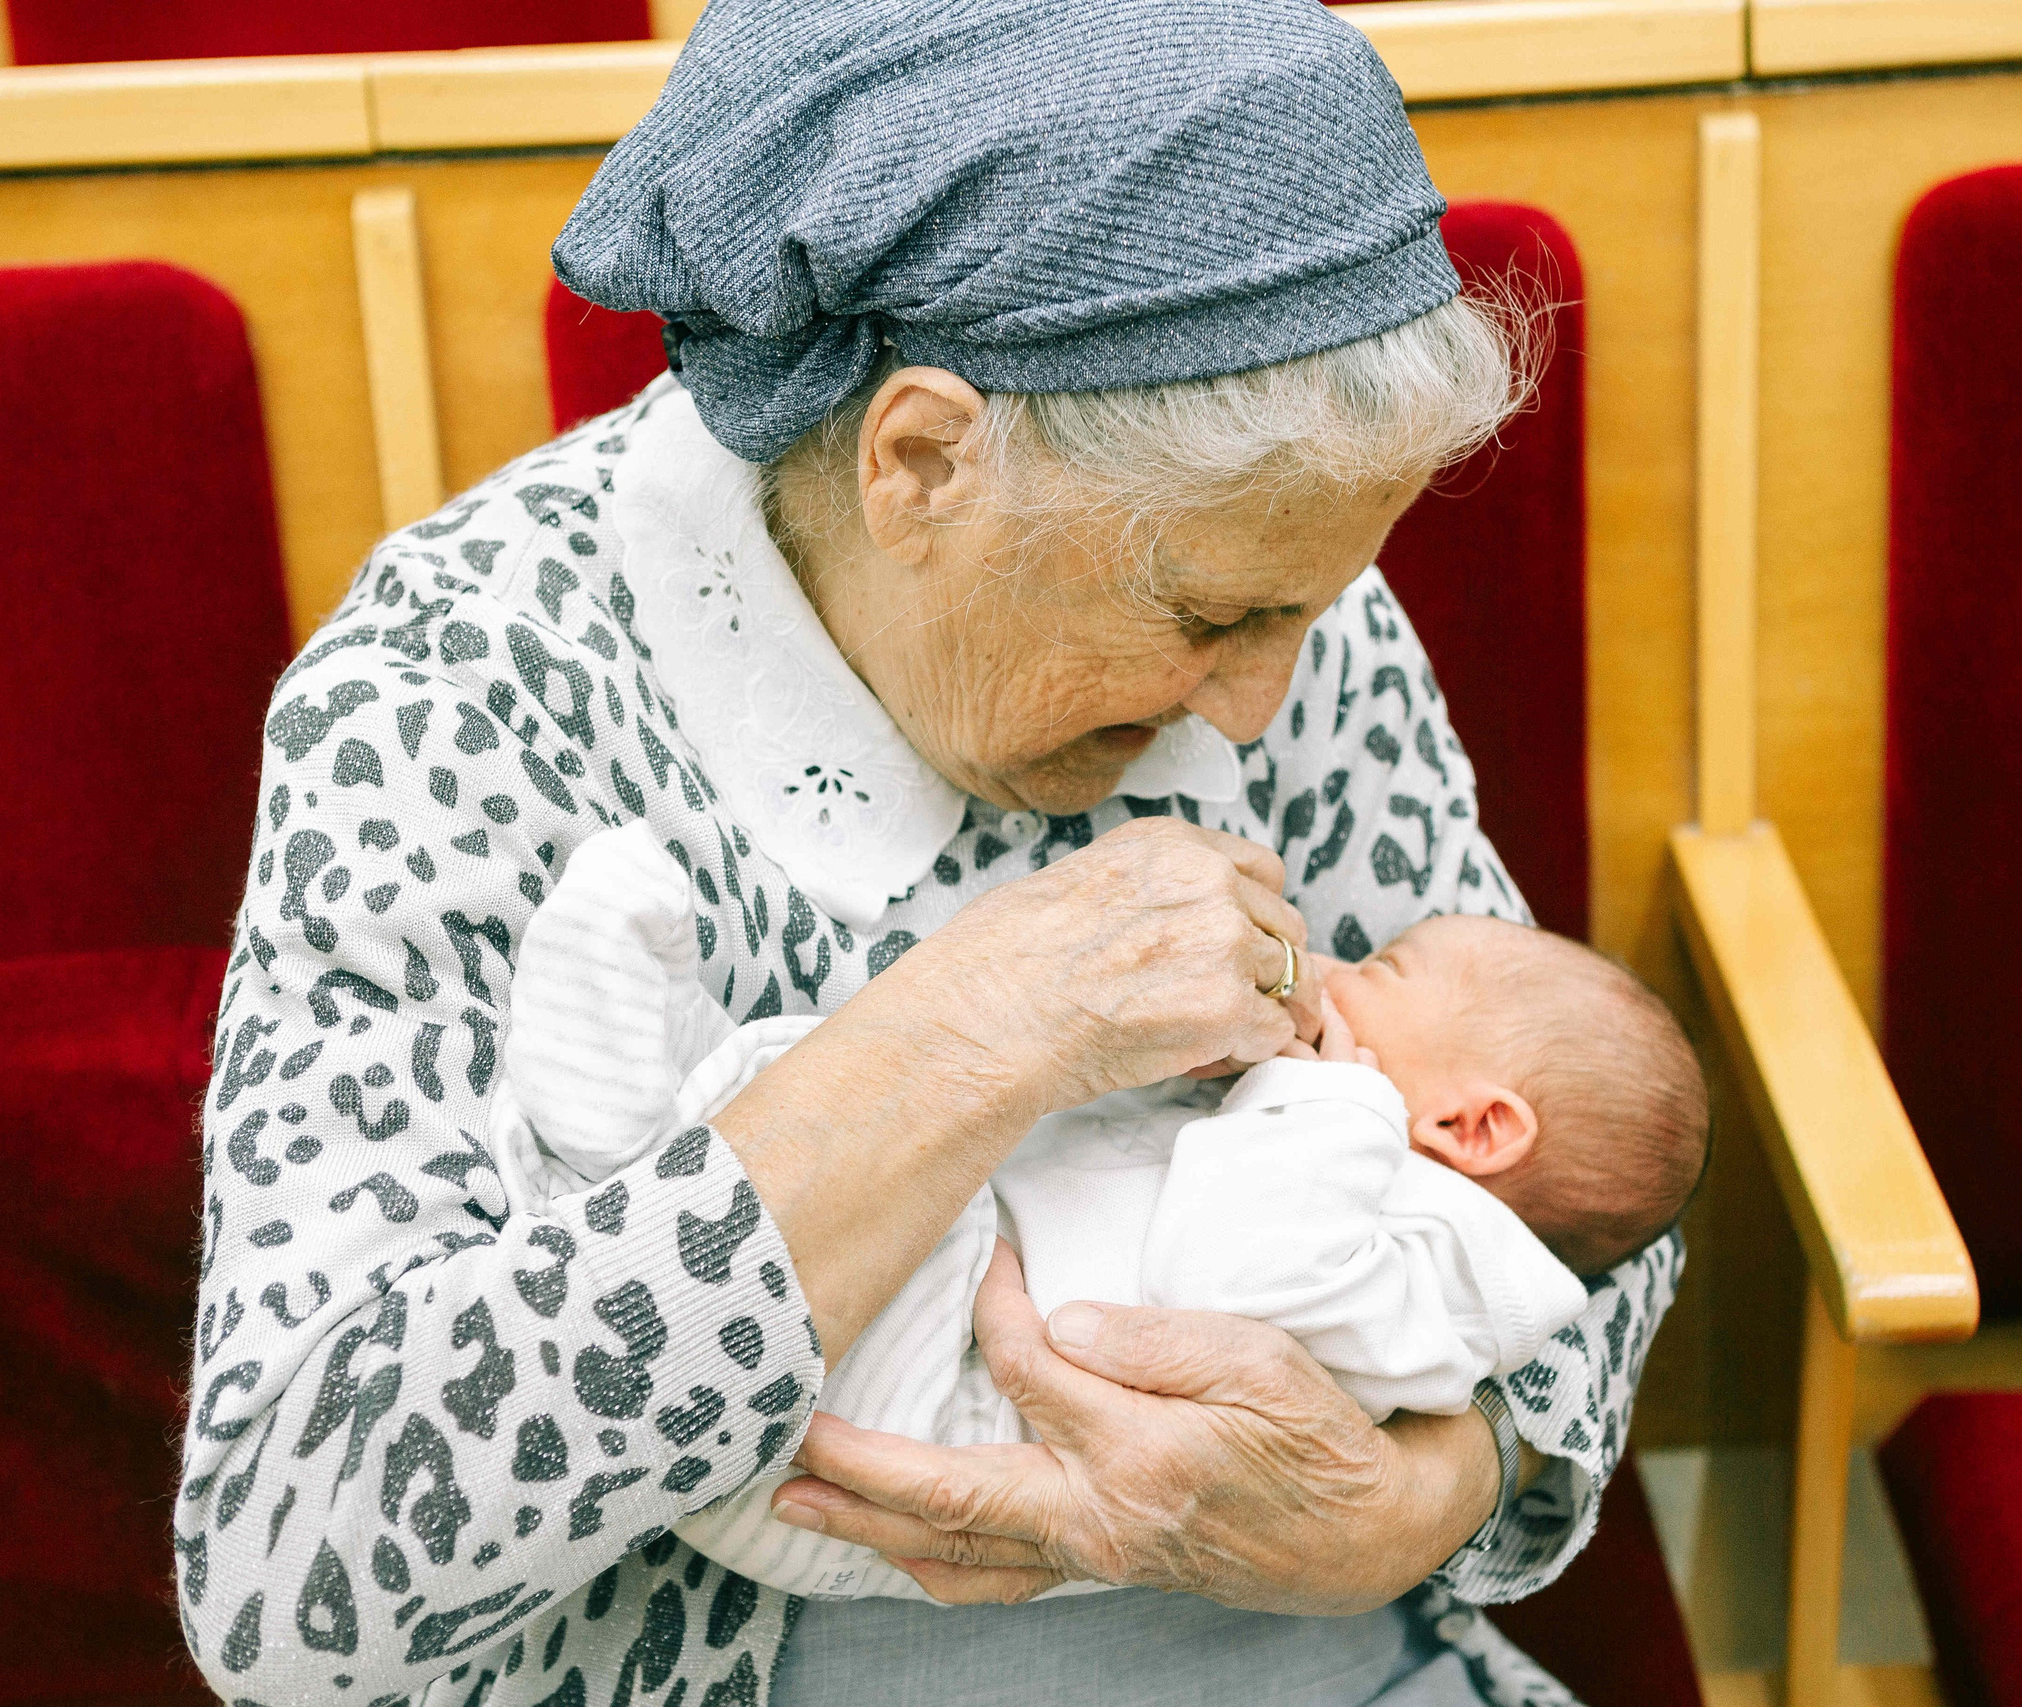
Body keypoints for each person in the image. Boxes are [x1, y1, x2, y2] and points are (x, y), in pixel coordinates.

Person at [177, 1, 1684, 1701]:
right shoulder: (467, 684)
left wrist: (1428, 1497)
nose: (1265, 706)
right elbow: (291, 1590)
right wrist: (964, 1038)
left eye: (1302, 618)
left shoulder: (1270, 551)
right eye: (1212, 618)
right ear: (920, 458)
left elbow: (1578, 1155)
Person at [487, 826, 1709, 1606]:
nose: (1327, 972)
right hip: (887, 1374)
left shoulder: (1432, 1267)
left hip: (927, 1434)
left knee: (916, 1173)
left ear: (1477, 1130)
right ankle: (651, 1144)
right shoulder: (1350, 1158)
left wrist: (1320, 1092)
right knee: (868, 1115)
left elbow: (1238, 1265)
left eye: (1374, 977)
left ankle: (612, 1159)